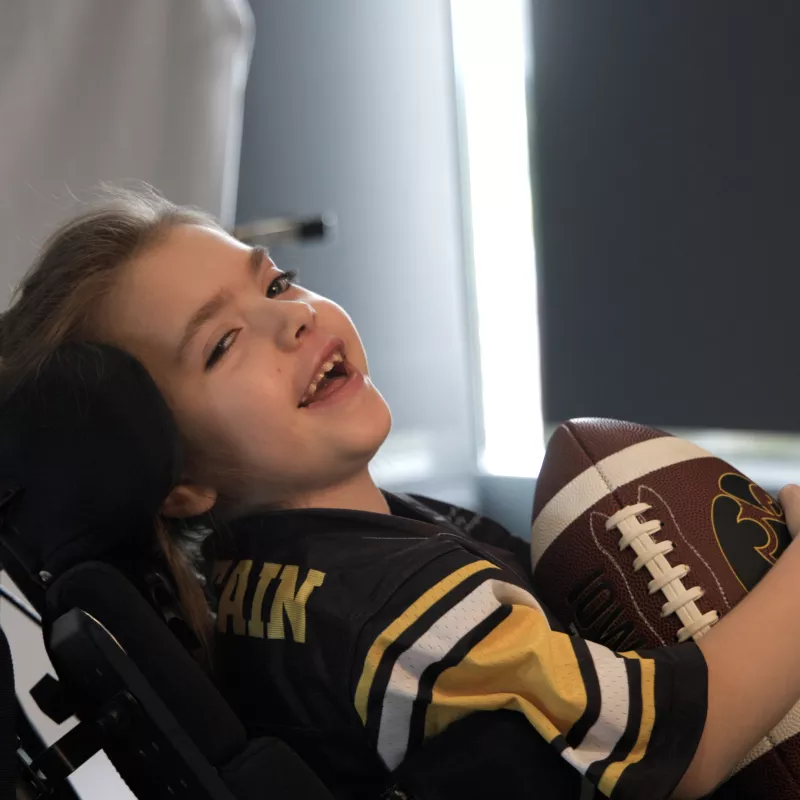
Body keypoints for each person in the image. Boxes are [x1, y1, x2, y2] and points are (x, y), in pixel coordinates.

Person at [4, 187, 800, 800]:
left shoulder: (269, 586)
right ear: (177, 481)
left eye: (278, 284)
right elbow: (679, 741)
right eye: (222, 344)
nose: (295, 321)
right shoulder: (392, 610)